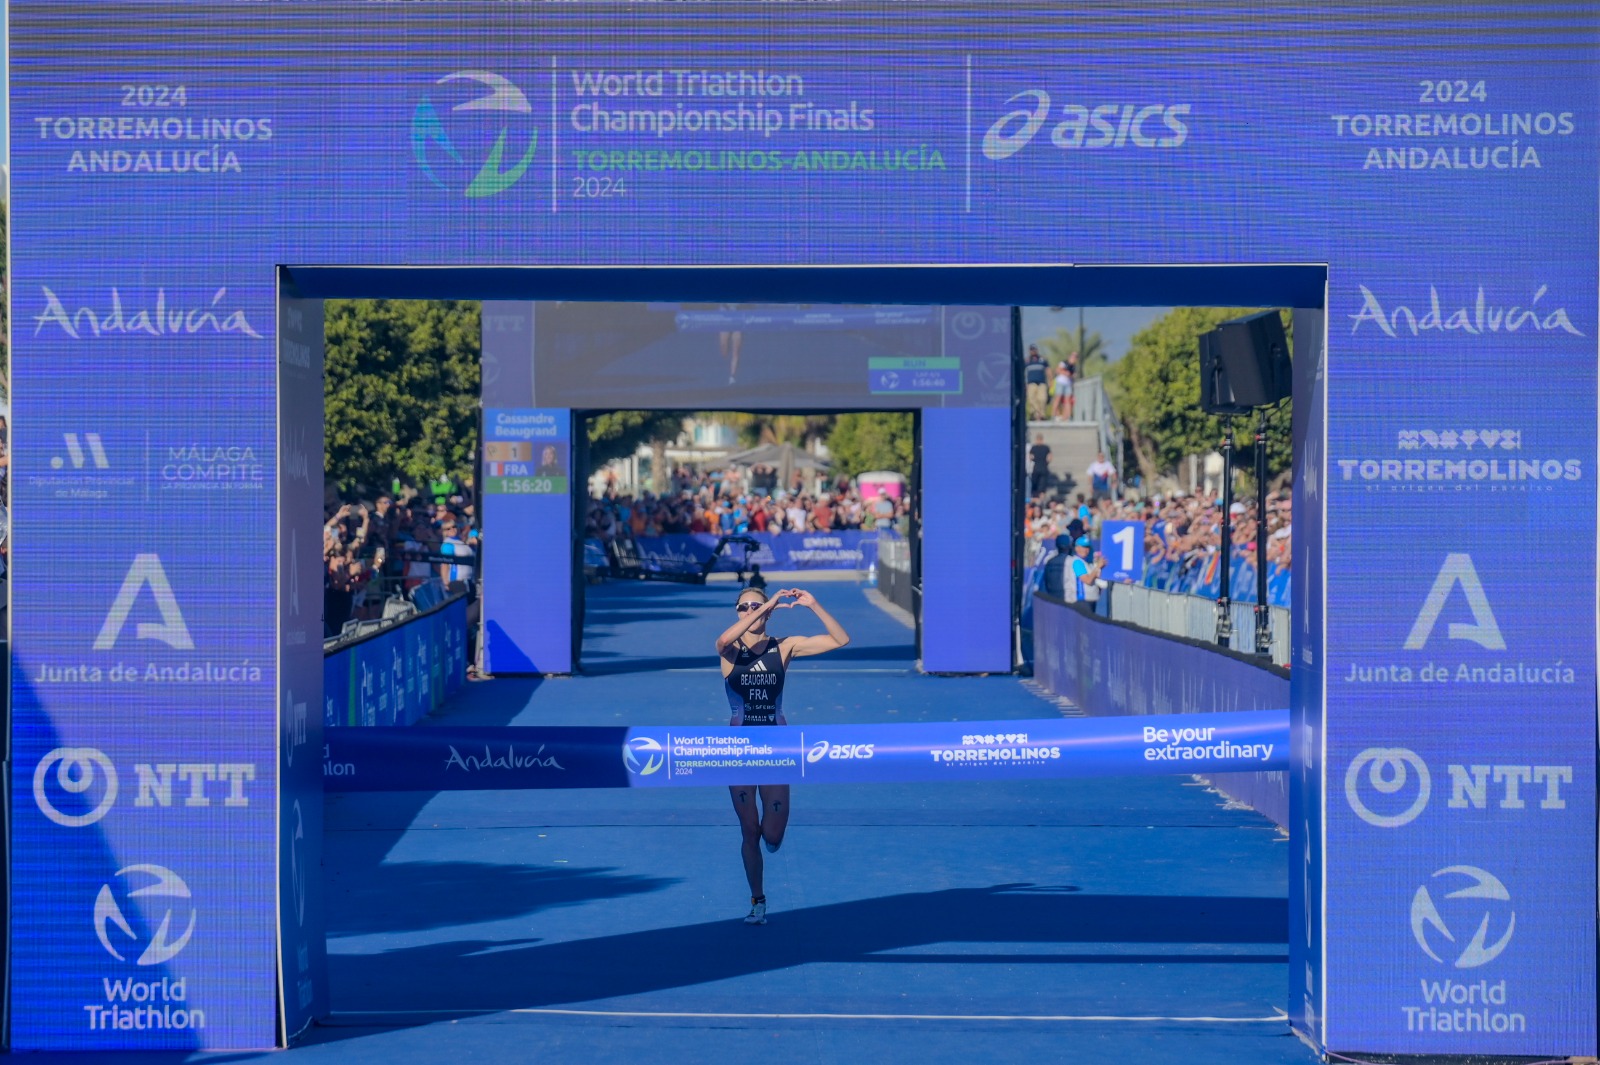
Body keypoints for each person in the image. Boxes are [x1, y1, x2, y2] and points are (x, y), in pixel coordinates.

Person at [716, 586, 850, 925]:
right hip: (740, 748)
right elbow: (719, 641)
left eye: (756, 606)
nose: (750, 610)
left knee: (771, 835)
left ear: (770, 611)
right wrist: (764, 606)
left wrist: (814, 604)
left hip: (777, 745)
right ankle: (757, 901)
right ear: (737, 612)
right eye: (743, 607)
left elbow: (840, 639)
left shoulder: (784, 647)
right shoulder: (730, 649)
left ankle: (772, 837)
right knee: (749, 830)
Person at [1024, 345, 1048, 421]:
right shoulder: (1027, 361)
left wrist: (1050, 381)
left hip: (1041, 382)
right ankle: (1035, 414)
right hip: (1031, 383)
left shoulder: (1042, 360)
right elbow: (1024, 373)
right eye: (1032, 350)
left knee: (1042, 399)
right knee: (1031, 399)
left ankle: (1042, 415)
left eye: (1034, 350)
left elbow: (1048, 370)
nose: (1033, 351)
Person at [1028, 433, 1051, 497]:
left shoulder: (1034, 448)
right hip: (1044, 468)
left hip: (1036, 468)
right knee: (1042, 488)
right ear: (1042, 440)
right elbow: (1050, 457)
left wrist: (1034, 460)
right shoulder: (1046, 448)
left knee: (1035, 486)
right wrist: (1046, 462)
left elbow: (1030, 457)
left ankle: (1035, 500)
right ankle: (1041, 502)